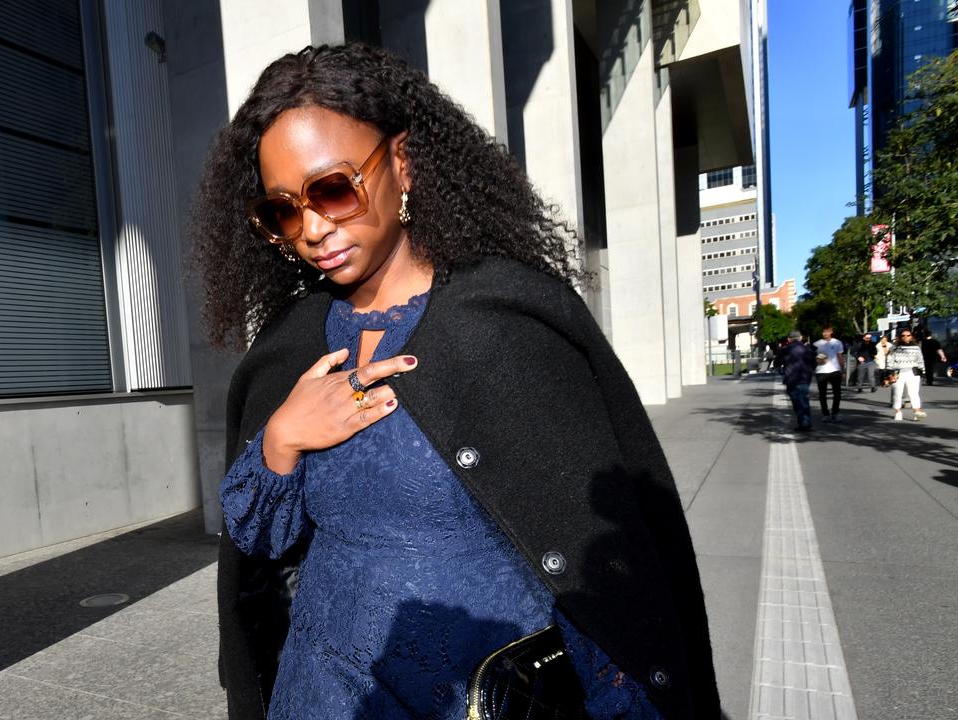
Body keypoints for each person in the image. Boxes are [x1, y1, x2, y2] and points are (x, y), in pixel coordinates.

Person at [195, 44, 719, 720]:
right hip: (319, 696)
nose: (314, 229)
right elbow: (257, 546)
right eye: (284, 212)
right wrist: (283, 439)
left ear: (403, 162)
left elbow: (597, 561)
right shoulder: (288, 350)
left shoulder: (509, 321)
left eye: (332, 188)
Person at [775, 330, 816, 431]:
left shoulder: (785, 349)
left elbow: (777, 363)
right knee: (804, 399)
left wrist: (782, 372)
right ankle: (806, 422)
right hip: (804, 378)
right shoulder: (808, 349)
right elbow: (814, 364)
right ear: (801, 338)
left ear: (788, 339)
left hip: (791, 378)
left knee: (796, 401)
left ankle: (802, 422)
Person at [886, 328, 927, 420]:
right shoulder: (894, 348)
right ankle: (898, 412)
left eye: (908, 335)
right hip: (898, 373)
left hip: (913, 372)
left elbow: (920, 360)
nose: (906, 337)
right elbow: (889, 361)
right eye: (903, 335)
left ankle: (917, 412)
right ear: (900, 337)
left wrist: (923, 373)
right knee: (897, 393)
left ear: (911, 337)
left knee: (914, 393)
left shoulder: (916, 348)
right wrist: (890, 373)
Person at [812, 325, 845, 422]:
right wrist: (817, 360)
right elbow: (812, 357)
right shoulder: (816, 344)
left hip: (835, 370)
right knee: (822, 394)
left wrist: (842, 370)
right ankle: (825, 414)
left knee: (837, 393)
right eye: (823, 332)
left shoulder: (837, 342)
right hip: (821, 371)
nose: (825, 333)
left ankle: (835, 412)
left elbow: (840, 356)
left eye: (827, 331)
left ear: (831, 332)